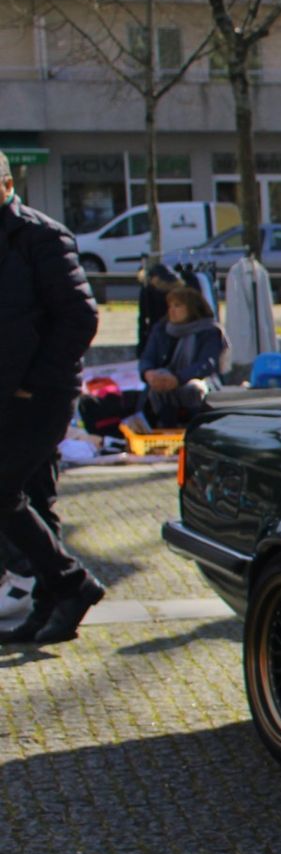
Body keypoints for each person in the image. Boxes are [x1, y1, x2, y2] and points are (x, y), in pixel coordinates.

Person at [0, 149, 106, 644]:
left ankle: (73, 584)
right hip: (8, 392)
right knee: (37, 499)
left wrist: (34, 382)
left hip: (40, 394)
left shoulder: (42, 236)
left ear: (6, 185)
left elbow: (80, 317)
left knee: (3, 493)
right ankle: (51, 605)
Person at [135, 287, 227, 427]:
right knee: (156, 390)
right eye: (170, 306)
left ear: (191, 308)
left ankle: (196, 426)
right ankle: (162, 426)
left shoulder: (210, 331)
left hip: (200, 382)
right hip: (164, 380)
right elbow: (147, 357)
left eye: (177, 306)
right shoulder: (161, 329)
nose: (172, 310)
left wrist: (178, 378)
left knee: (193, 389)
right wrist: (148, 373)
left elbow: (207, 363)